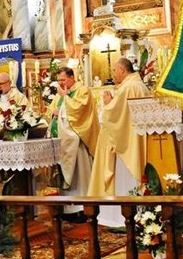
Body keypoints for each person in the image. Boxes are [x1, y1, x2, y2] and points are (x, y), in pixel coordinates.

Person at [86, 58, 149, 227]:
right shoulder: (139, 85)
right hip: (134, 140)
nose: (113, 74)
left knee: (124, 181)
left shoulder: (128, 87)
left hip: (125, 146)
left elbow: (113, 116)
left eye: (114, 70)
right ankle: (141, 216)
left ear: (122, 70)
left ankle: (122, 218)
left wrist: (108, 104)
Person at [47, 66, 99, 222]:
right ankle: (68, 208)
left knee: (80, 177)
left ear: (72, 77)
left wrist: (65, 100)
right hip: (62, 142)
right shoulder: (60, 94)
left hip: (77, 141)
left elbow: (80, 111)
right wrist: (53, 112)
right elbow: (52, 110)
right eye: (59, 80)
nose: (61, 83)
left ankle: (83, 208)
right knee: (64, 175)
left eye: (63, 80)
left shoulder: (83, 90)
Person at [0, 72, 31, 138]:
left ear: (9, 83)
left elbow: (26, 115)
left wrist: (5, 118)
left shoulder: (19, 97)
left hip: (14, 134)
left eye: (1, 83)